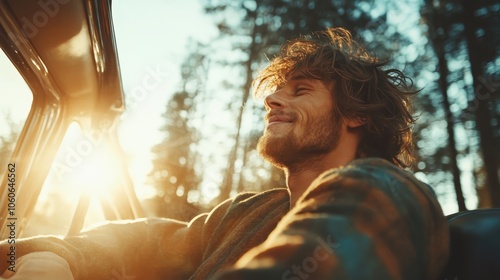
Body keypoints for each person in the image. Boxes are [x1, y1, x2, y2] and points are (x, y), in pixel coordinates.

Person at [0, 27, 449, 280]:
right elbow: (144, 241)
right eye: (275, 91)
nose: (272, 100)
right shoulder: (246, 214)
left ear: (356, 116)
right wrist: (54, 257)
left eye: (302, 90)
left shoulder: (387, 191)